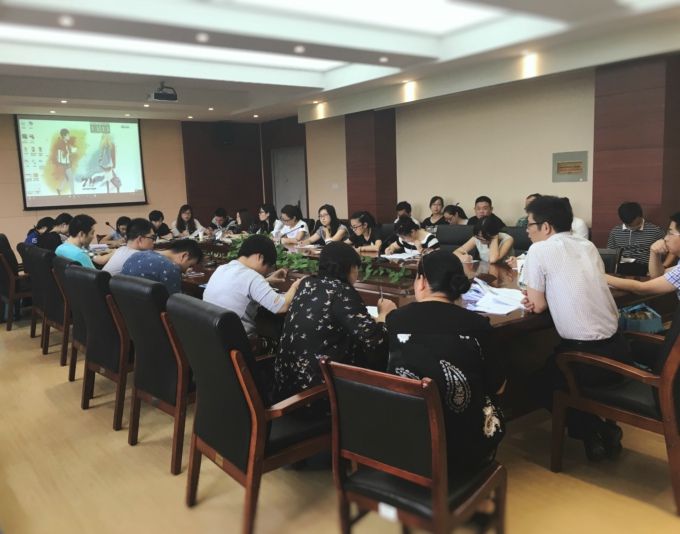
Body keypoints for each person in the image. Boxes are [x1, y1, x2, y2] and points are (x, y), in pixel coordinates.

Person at [522, 196, 632, 461]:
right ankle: (598, 431)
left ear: (546, 227)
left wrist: (536, 297)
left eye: (530, 224)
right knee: (555, 373)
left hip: (586, 358)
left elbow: (537, 305)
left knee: (537, 384)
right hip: (620, 349)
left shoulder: (539, 250)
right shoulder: (587, 245)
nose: (527, 230)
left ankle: (594, 432)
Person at [386, 251, 505, 473]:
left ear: (422, 281)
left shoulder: (395, 320)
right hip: (466, 450)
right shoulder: (478, 325)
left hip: (406, 444)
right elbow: (497, 386)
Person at [274, 242, 395, 400]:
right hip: (317, 394)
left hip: (286, 389)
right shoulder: (342, 291)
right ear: (350, 268)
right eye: (356, 268)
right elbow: (375, 341)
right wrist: (384, 315)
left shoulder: (307, 283)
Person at [203, 235, 301, 336]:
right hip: (237, 340)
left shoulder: (222, 268)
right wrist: (296, 286)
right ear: (260, 257)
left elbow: (240, 286)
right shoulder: (252, 277)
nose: (267, 272)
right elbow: (282, 306)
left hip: (211, 335)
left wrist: (266, 281)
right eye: (268, 266)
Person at [606, 211, 680, 299]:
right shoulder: (615, 231)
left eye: (670, 233)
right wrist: (653, 252)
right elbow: (658, 275)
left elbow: (642, 289)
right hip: (622, 268)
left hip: (643, 270)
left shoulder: (654, 230)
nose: (666, 238)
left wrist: (601, 276)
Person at [121, 239, 203, 294]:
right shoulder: (171, 268)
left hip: (125, 308)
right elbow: (175, 303)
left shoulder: (137, 255)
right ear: (184, 256)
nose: (187, 270)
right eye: (190, 265)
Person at [606, 202, 665, 276]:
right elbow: (610, 252)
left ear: (640, 216)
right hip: (620, 267)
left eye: (633, 224)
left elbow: (669, 250)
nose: (631, 227)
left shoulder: (655, 231)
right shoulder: (615, 231)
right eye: (627, 224)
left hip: (644, 267)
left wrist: (664, 266)